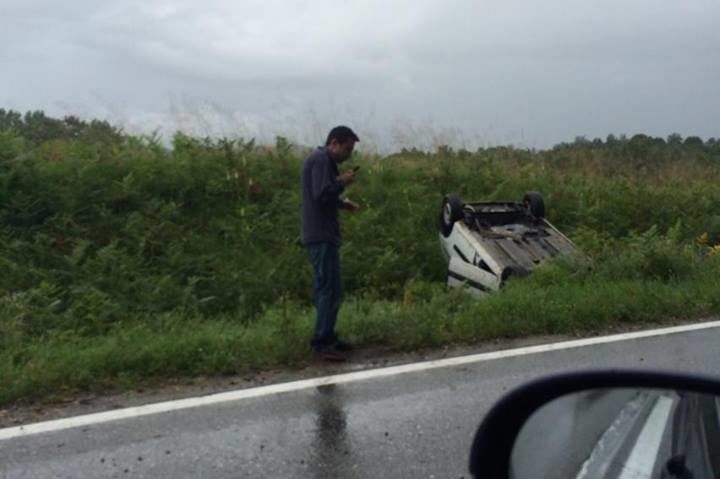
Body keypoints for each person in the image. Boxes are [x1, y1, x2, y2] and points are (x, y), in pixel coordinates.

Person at [300, 126, 360, 361]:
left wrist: (342, 203)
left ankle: (329, 336)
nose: (348, 155)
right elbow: (321, 194)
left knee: (334, 289)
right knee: (327, 288)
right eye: (347, 149)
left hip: (325, 235)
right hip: (320, 236)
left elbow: (325, 197)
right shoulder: (320, 160)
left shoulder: (323, 161)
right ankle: (322, 342)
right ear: (334, 143)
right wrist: (342, 181)